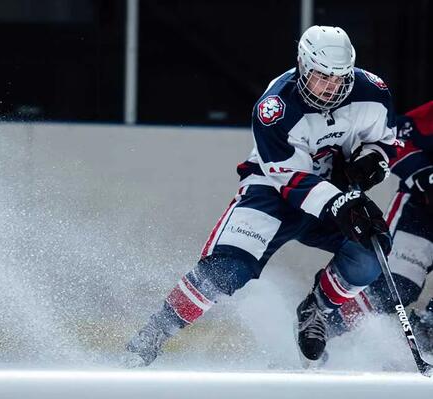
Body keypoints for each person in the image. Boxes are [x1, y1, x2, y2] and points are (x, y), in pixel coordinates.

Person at [125, 25, 397, 367]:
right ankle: (154, 333)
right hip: (273, 192)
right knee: (226, 270)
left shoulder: (373, 91)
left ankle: (318, 310)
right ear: (302, 65)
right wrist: (338, 201)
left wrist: (374, 160)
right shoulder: (275, 107)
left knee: (371, 251)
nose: (330, 88)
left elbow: (385, 139)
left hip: (334, 190)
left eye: (340, 79)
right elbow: (288, 177)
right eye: (321, 77)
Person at [328, 101, 433, 351]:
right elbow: (398, 134)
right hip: (421, 213)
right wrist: (422, 172)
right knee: (395, 286)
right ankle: (321, 329)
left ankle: (426, 337)